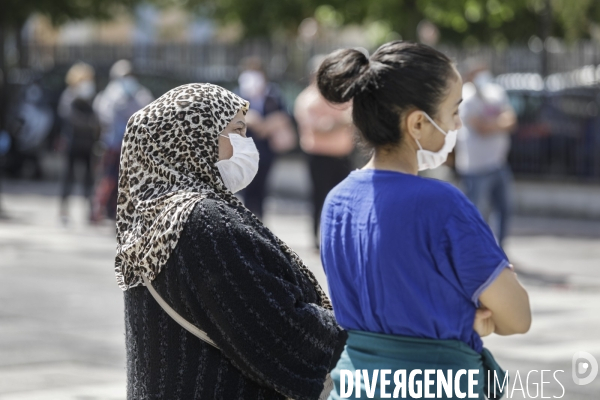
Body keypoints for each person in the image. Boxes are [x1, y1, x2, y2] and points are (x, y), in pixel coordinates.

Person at [317, 42, 531, 399]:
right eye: (454, 112)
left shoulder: (336, 200)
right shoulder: (442, 204)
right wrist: (471, 316)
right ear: (418, 122)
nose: (458, 125)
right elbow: (518, 316)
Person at [115, 83, 347, 399]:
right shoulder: (203, 221)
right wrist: (360, 329)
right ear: (193, 140)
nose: (246, 143)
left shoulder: (156, 214)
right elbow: (278, 332)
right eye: (236, 130)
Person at [294, 55, 354, 248]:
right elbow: (320, 128)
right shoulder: (308, 99)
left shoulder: (340, 95)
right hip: (319, 156)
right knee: (320, 197)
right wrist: (341, 122)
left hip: (343, 156)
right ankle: (317, 237)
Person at [455, 60, 517, 248]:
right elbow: (480, 127)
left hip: (498, 163)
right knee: (478, 213)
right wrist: (498, 123)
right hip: (475, 167)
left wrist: (491, 124)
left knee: (504, 210)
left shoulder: (495, 92)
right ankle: (477, 251)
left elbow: (511, 119)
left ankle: (499, 250)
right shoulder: (466, 96)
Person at [91, 59, 153, 221]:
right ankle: (98, 211)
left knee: (130, 182)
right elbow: (104, 115)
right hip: (113, 144)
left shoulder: (139, 93)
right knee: (109, 179)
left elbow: (148, 111)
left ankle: (120, 212)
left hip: (133, 146)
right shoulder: (110, 95)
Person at [235, 57, 295, 220]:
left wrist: (268, 124)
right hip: (244, 148)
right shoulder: (238, 94)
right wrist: (249, 119)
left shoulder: (273, 94)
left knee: (262, 186)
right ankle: (247, 220)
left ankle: (260, 220)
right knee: (247, 187)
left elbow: (286, 114)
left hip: (266, 149)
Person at [57, 62, 101, 224]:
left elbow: (98, 119)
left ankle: (90, 212)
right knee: (68, 178)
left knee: (89, 179)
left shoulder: (91, 98)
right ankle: (63, 211)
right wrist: (89, 123)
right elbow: (69, 117)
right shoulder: (69, 96)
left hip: (88, 144)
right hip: (72, 143)